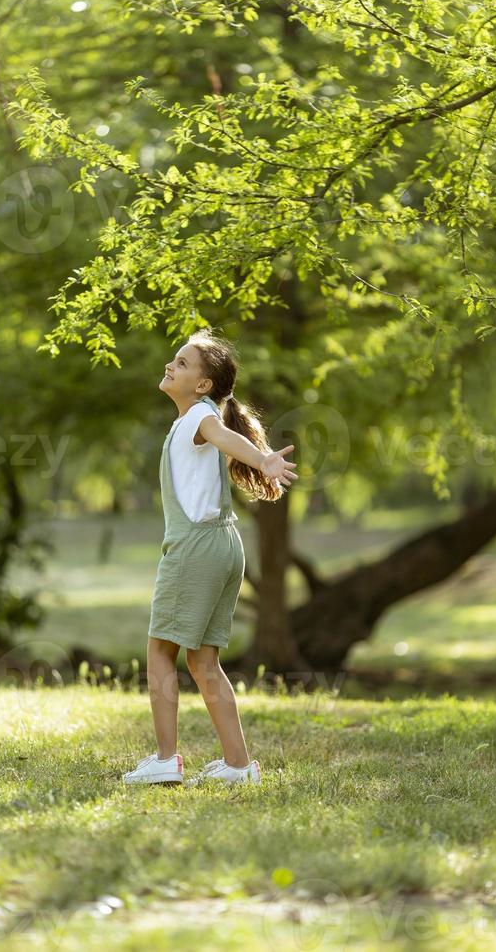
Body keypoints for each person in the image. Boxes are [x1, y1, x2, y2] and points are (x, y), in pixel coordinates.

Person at [123, 327, 297, 787]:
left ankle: (164, 759)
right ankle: (239, 767)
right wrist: (260, 459)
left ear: (202, 385)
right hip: (224, 544)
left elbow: (223, 436)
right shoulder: (192, 418)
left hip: (196, 547)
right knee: (203, 662)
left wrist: (262, 460)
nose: (170, 365)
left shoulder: (200, 417)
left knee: (160, 650)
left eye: (181, 363)